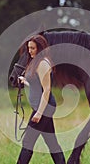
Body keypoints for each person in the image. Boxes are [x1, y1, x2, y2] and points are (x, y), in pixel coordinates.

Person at [16, 35, 65, 164]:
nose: (30, 51)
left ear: (40, 48)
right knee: (52, 143)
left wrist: (39, 112)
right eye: (29, 48)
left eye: (33, 48)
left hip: (44, 107)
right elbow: (37, 85)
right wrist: (25, 81)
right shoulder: (36, 62)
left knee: (28, 142)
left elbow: (47, 90)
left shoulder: (43, 63)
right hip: (42, 107)